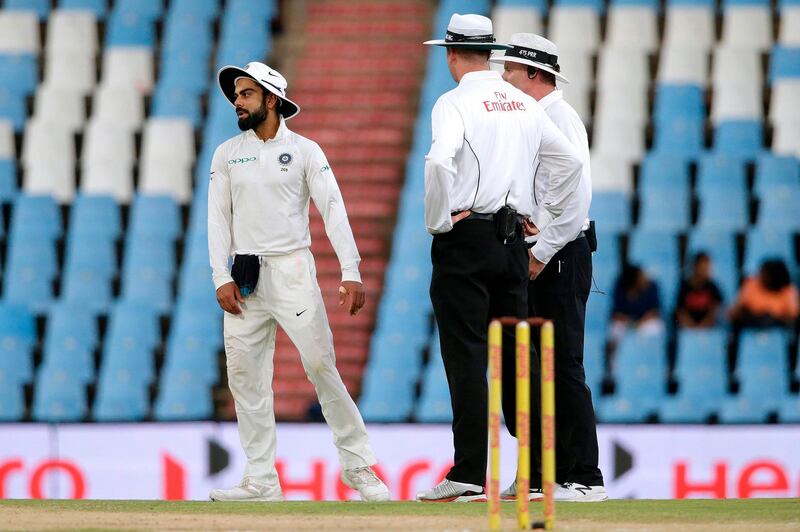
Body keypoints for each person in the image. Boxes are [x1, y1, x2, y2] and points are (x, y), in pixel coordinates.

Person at [416, 15, 584, 502]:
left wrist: (440, 221)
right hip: (513, 243)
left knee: (466, 355)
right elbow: (569, 163)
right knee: (519, 355)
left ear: (451, 54)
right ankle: (532, 476)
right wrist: (537, 211)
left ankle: (469, 473)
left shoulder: (454, 102)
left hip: (466, 240)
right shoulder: (524, 104)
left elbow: (437, 161)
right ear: (489, 54)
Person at [207, 62, 389, 502]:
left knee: (321, 366)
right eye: (236, 94)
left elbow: (333, 207)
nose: (237, 101)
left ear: (271, 99)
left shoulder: (306, 150)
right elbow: (217, 218)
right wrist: (220, 276)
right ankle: (260, 479)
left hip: (292, 270)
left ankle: (358, 465)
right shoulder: (227, 153)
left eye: (247, 93)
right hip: (244, 275)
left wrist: (351, 270)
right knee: (245, 378)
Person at [490, 33, 606, 502]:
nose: (504, 80)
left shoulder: (559, 118)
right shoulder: (538, 118)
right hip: (541, 253)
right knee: (533, 366)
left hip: (557, 256)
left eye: (511, 72)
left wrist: (539, 253)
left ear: (534, 75)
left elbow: (576, 198)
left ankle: (585, 475)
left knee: (562, 365)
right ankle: (541, 473)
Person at [729, 259, 799, 329]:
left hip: (777, 329)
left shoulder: (788, 290)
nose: (761, 276)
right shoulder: (751, 284)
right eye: (761, 273)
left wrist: (774, 317)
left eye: (765, 275)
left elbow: (793, 316)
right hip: (751, 326)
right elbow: (733, 313)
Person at [610, 263, 664, 344]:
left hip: (644, 322)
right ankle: (613, 356)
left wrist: (639, 322)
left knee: (656, 327)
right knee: (615, 329)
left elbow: (655, 312)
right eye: (641, 277)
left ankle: (649, 354)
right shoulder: (621, 288)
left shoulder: (652, 286)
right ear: (633, 280)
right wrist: (630, 322)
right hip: (627, 323)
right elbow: (616, 314)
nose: (644, 278)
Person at [676, 252, 723, 328]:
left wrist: (703, 325)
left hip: (708, 327)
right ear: (695, 266)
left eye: (708, 267)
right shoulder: (684, 286)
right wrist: (691, 326)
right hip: (688, 328)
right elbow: (680, 311)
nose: (707, 270)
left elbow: (715, 310)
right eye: (704, 267)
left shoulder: (712, 286)